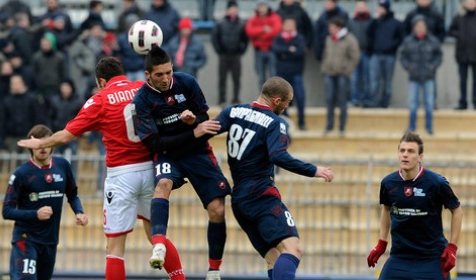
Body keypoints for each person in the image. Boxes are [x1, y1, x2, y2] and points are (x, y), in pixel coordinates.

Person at [18, 57, 186, 280]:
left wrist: (41, 143)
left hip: (122, 175)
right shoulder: (142, 88)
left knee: (114, 248)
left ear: (101, 81)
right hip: (150, 170)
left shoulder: (100, 99)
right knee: (156, 237)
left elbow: (67, 135)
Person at [213, 76, 333, 280]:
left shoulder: (232, 111)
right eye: (287, 102)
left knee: (274, 258)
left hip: (239, 201)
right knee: (293, 249)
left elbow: (206, 130)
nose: (287, 106)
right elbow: (278, 156)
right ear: (277, 100)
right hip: (261, 196)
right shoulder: (275, 123)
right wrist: (314, 170)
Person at [132, 46, 231, 280]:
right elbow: (155, 145)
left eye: (169, 72)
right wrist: (192, 132)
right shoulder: (142, 100)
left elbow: (204, 121)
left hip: (198, 153)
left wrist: (193, 120)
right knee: (162, 184)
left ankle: (214, 271)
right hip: (169, 154)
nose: (166, 78)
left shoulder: (187, 83)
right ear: (148, 75)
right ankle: (158, 245)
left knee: (217, 209)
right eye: (159, 75)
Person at [367, 131, 463, 280]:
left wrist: (452, 247)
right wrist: (381, 243)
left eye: (411, 151)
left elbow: (457, 210)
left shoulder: (436, 183)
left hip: (431, 259)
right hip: (399, 258)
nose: (405, 154)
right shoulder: (388, 183)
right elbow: (386, 209)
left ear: (420, 157)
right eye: (402, 150)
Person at [2, 124, 88, 279]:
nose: (42, 148)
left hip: (50, 241)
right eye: (38, 144)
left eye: (46, 143)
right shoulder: (21, 174)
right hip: (26, 239)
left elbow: (73, 195)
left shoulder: (63, 166)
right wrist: (36, 214)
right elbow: (6, 211)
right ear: (31, 146)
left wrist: (79, 212)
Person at [399, 17, 442, 135]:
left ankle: (429, 127)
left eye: (422, 26)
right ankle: (411, 127)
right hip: (414, 77)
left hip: (429, 77)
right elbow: (402, 56)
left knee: (429, 103)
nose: (420, 28)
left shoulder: (433, 40)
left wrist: (433, 66)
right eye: (417, 26)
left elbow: (439, 55)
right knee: (413, 104)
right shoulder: (408, 41)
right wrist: (408, 67)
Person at [321, 17, 360, 136]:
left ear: (338, 27)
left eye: (332, 27)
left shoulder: (349, 39)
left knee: (342, 100)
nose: (329, 29)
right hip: (329, 74)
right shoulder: (329, 39)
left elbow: (355, 56)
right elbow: (325, 54)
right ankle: (329, 125)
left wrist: (346, 70)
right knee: (329, 100)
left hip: (342, 75)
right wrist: (324, 69)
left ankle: (342, 127)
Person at [365, 0, 403, 109]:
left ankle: (385, 102)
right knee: (374, 80)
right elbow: (368, 32)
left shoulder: (395, 23)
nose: (379, 9)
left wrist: (391, 46)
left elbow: (400, 38)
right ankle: (374, 101)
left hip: (389, 55)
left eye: (381, 7)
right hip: (376, 54)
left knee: (387, 81)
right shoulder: (376, 22)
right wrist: (374, 20)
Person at [273, 18, 307, 130]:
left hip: (296, 73)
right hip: (282, 74)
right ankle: (284, 121)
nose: (289, 26)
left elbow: (300, 52)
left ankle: (301, 122)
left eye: (291, 24)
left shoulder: (299, 38)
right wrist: (289, 50)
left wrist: (284, 54)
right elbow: (276, 49)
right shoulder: (279, 38)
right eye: (287, 24)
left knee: (300, 98)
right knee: (282, 99)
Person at [211, 0, 248, 106]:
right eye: (231, 9)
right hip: (224, 55)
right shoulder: (220, 23)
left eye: (235, 9)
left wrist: (241, 51)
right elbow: (215, 38)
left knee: (236, 78)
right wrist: (220, 51)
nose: (233, 11)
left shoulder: (241, 24)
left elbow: (245, 40)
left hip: (236, 56)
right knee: (222, 78)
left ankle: (236, 99)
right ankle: (222, 99)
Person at [245, 1, 282, 90]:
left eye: (264, 6)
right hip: (258, 51)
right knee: (260, 77)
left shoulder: (274, 17)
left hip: (271, 50)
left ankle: (273, 98)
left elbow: (276, 31)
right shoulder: (253, 19)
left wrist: (260, 36)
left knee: (273, 76)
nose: (262, 9)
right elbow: (249, 31)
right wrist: (263, 29)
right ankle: (263, 99)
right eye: (260, 7)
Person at [449, 0, 476, 110]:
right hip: (462, 53)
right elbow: (450, 31)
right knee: (463, 80)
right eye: (468, 2)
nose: (470, 4)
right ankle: (462, 102)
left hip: (475, 53)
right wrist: (460, 36)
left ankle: (475, 101)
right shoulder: (458, 17)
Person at [347, 0, 372, 107]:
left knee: (367, 78)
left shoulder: (371, 21)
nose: (361, 9)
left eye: (363, 7)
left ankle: (366, 100)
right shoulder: (351, 21)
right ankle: (355, 99)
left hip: (367, 53)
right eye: (359, 7)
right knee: (354, 78)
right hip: (354, 54)